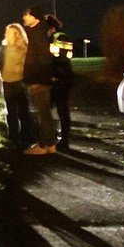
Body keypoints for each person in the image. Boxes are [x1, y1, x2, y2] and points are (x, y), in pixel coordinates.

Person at [21, 5, 57, 155]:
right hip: (41, 78)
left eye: (26, 15)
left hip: (39, 79)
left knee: (41, 113)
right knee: (44, 113)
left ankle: (43, 145)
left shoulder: (38, 33)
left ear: (33, 16)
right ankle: (50, 143)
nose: (24, 18)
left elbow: (42, 58)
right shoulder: (41, 31)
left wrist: (37, 77)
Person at [0, 22, 35, 149]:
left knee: (23, 111)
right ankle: (13, 136)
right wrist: (1, 71)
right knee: (10, 110)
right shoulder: (4, 47)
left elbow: (29, 65)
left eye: (9, 32)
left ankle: (26, 136)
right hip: (7, 81)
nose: (6, 34)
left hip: (20, 82)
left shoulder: (23, 48)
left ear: (16, 35)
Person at [47, 16, 74, 150]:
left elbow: (62, 58)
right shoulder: (56, 37)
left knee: (61, 109)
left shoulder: (60, 37)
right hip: (59, 78)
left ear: (50, 27)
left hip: (60, 79)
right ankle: (57, 136)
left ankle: (64, 139)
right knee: (56, 109)